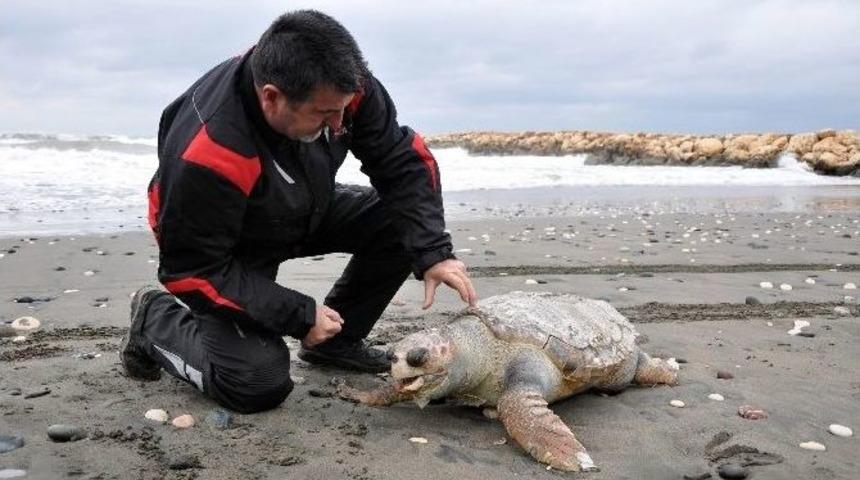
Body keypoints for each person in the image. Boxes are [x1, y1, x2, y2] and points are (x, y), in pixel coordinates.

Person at [120, 10, 477, 414]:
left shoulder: (342, 85)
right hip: (226, 245)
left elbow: (401, 159)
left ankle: (336, 344)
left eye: (343, 109)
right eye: (325, 115)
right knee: (254, 384)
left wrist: (433, 251)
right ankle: (154, 319)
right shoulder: (210, 152)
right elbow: (192, 270)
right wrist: (300, 315)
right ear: (271, 96)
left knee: (401, 223)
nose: (339, 123)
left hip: (301, 205)